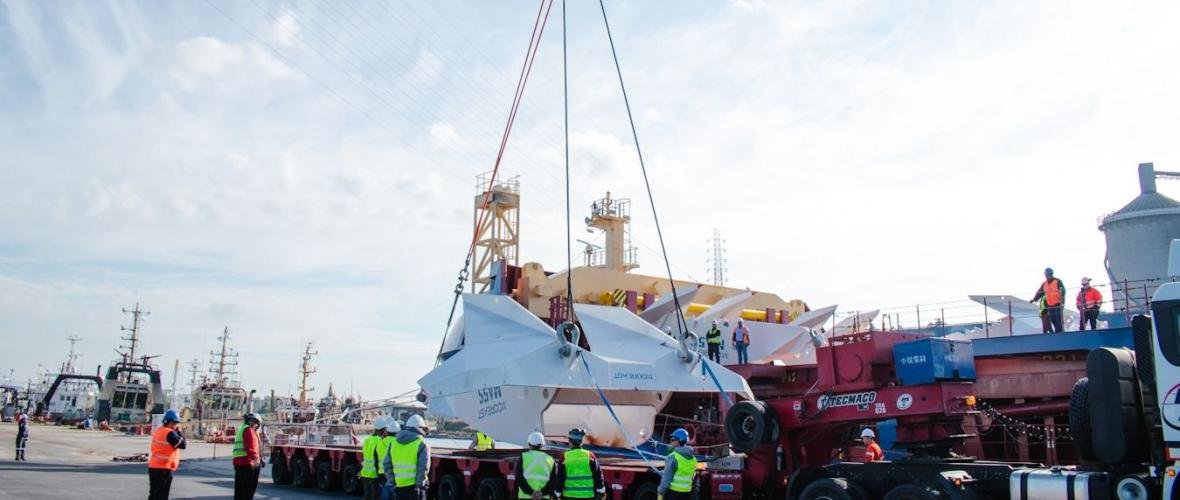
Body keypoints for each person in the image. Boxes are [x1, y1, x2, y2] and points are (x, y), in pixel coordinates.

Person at [385, 414, 431, 500]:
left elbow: (387, 464)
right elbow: (423, 467)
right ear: (420, 428)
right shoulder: (422, 443)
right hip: (415, 488)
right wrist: (419, 485)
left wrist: (392, 482)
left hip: (399, 487)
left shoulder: (394, 443)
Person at [148, 409, 186, 500]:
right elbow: (183, 445)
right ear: (172, 422)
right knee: (162, 495)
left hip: (153, 466)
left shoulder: (159, 431)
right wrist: (179, 432)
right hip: (164, 468)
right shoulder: (170, 433)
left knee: (153, 494)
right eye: (176, 423)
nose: (176, 426)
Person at [557, 428, 605, 499]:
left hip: (570, 496)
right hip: (588, 496)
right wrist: (601, 492)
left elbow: (560, 478)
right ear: (581, 442)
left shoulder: (564, 457)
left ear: (570, 441)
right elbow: (598, 475)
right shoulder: (590, 456)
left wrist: (557, 494)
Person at [232, 412, 265, 500]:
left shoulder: (242, 429)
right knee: (248, 492)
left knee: (239, 492)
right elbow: (251, 448)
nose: (254, 424)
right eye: (254, 422)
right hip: (248, 464)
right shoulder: (249, 430)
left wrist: (260, 459)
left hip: (239, 464)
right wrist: (257, 460)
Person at [657, 428, 697, 499]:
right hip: (687, 493)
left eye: (673, 440)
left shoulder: (672, 457)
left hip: (673, 493)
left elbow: (666, 479)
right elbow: (689, 475)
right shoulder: (693, 459)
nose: (671, 442)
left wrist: (660, 492)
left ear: (680, 441)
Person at [516, 431, 557, 499]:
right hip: (543, 497)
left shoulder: (523, 457)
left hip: (525, 497)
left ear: (529, 444)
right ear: (542, 444)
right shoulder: (550, 459)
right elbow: (553, 482)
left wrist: (531, 492)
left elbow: (519, 478)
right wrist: (542, 493)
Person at [361, 416, 390, 500]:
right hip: (374, 475)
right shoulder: (380, 441)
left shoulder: (367, 439)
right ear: (383, 429)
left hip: (365, 473)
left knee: (367, 496)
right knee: (375, 497)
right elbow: (378, 458)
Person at [1031, 268, 1066, 333]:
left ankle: (1060, 332)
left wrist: (1062, 302)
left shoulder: (1058, 281)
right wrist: (1034, 299)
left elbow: (1063, 291)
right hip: (1050, 305)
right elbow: (1040, 292)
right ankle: (1057, 332)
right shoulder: (1044, 284)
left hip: (1058, 303)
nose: (1047, 276)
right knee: (1053, 319)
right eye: (1046, 275)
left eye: (1049, 274)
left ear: (1052, 274)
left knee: (1058, 318)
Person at [377, 419, 401, 499]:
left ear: (387, 431)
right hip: (391, 472)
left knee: (384, 492)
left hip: (381, 472)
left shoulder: (380, 441)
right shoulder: (397, 442)